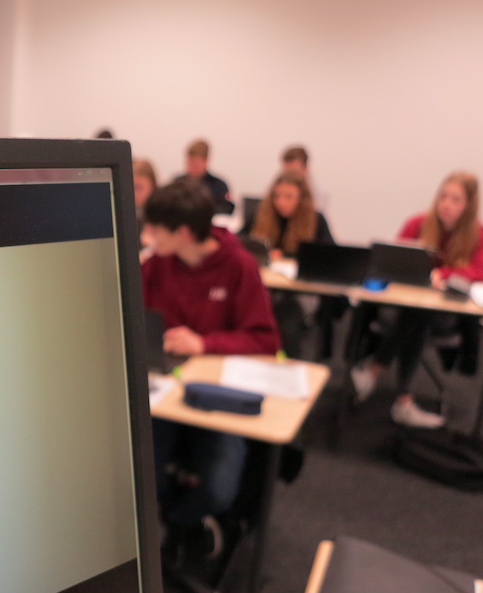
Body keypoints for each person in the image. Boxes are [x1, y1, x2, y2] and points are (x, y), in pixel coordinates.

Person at [142, 178, 280, 561]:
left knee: (218, 488)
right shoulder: (155, 266)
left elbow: (265, 340)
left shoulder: (238, 266)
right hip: (164, 393)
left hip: (215, 398)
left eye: (155, 229)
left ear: (183, 233)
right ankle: (168, 522)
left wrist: (205, 344)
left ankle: (177, 520)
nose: (148, 235)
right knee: (136, 469)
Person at [351, 172, 483, 428]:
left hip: (445, 316)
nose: (446, 204)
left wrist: (444, 274)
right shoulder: (418, 224)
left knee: (420, 315)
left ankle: (373, 369)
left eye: (455, 199)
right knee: (417, 315)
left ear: (468, 206)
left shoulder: (480, 235)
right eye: (444, 196)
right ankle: (403, 403)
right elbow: (392, 260)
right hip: (402, 307)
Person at [250, 171, 338, 357]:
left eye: (289, 197)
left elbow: (330, 257)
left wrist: (288, 255)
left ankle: (288, 362)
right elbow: (242, 243)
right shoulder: (262, 215)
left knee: (285, 311)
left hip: (301, 289)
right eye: (277, 196)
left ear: (302, 199)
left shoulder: (316, 221)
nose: (281, 202)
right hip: (265, 285)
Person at [174, 139, 235, 215]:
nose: (192, 167)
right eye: (190, 162)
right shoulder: (177, 183)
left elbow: (227, 208)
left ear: (206, 161)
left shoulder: (219, 185)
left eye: (196, 164)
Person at [280, 145, 328, 212]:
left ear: (305, 168)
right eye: (286, 171)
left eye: (293, 171)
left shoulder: (319, 192)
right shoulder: (278, 187)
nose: (289, 175)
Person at [134, 158, 158, 249]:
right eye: (131, 187)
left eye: (139, 188)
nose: (134, 194)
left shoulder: (162, 214)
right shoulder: (128, 212)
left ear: (153, 186)